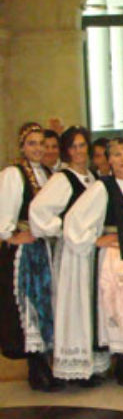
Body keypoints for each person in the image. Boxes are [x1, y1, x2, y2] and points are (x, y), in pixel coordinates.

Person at [62, 138, 123, 390]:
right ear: (108, 159)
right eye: (117, 155)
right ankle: (122, 361)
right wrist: (95, 239)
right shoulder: (103, 187)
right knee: (117, 305)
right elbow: (75, 219)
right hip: (114, 253)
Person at [29, 126, 103, 386]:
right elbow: (38, 211)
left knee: (90, 304)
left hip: (92, 250)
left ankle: (90, 364)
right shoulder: (63, 179)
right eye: (73, 147)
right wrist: (62, 230)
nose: (79, 151)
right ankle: (73, 366)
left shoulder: (92, 178)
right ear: (65, 150)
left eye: (83, 146)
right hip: (73, 253)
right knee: (73, 306)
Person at [0, 123, 59, 391]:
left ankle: (44, 364)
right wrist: (11, 235)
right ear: (22, 146)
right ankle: (36, 367)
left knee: (46, 304)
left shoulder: (47, 173)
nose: (38, 149)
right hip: (25, 253)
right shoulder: (14, 174)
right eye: (32, 143)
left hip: (44, 249)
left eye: (41, 143)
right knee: (30, 305)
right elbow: (4, 213)